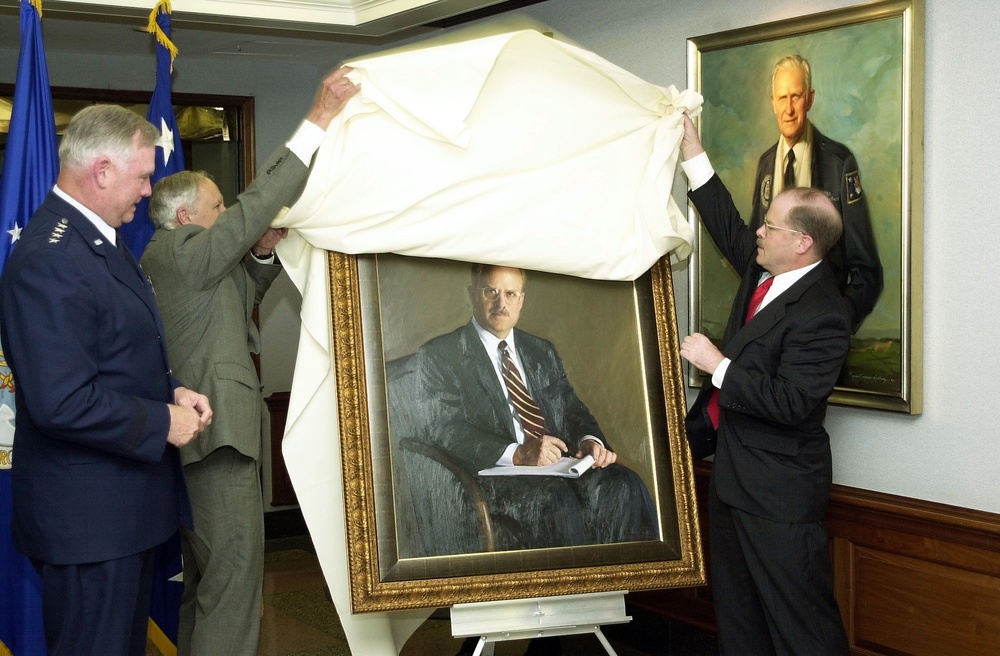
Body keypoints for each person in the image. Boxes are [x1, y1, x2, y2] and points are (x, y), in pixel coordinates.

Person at [139, 66, 359, 656]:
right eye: (218, 207)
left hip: (199, 444)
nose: (228, 213)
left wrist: (260, 258)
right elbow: (257, 205)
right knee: (235, 589)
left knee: (207, 588)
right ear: (188, 218)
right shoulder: (183, 252)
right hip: (219, 441)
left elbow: (238, 303)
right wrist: (316, 121)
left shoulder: (183, 263)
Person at [0, 104, 213, 656]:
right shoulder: (52, 257)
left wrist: (171, 393)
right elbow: (60, 400)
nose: (148, 191)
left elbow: (111, 356)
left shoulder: (97, 241)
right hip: (88, 525)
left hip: (118, 515)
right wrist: (161, 421)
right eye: (143, 176)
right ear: (101, 171)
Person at [678, 113, 851, 654]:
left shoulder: (826, 312)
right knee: (741, 628)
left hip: (779, 500)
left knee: (804, 634)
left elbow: (794, 402)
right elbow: (729, 223)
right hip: (732, 486)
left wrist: (718, 365)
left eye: (771, 226)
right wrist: (692, 150)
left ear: (801, 242)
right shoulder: (764, 272)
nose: (759, 231)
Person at [412, 264, 658, 550]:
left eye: (510, 293)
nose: (501, 303)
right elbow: (445, 429)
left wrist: (590, 441)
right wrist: (518, 453)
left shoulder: (540, 350)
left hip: (554, 465)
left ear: (521, 300)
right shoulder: (441, 354)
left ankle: (622, 586)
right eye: (491, 291)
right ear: (472, 294)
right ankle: (572, 593)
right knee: (556, 501)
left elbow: (569, 407)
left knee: (625, 484)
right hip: (491, 476)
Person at [749, 54, 882, 330]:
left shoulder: (838, 163)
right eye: (782, 98)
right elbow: (755, 249)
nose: (789, 109)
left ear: (810, 99)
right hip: (769, 329)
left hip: (819, 325)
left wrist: (838, 320)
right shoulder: (766, 165)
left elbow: (865, 268)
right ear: (772, 103)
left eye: (795, 97)